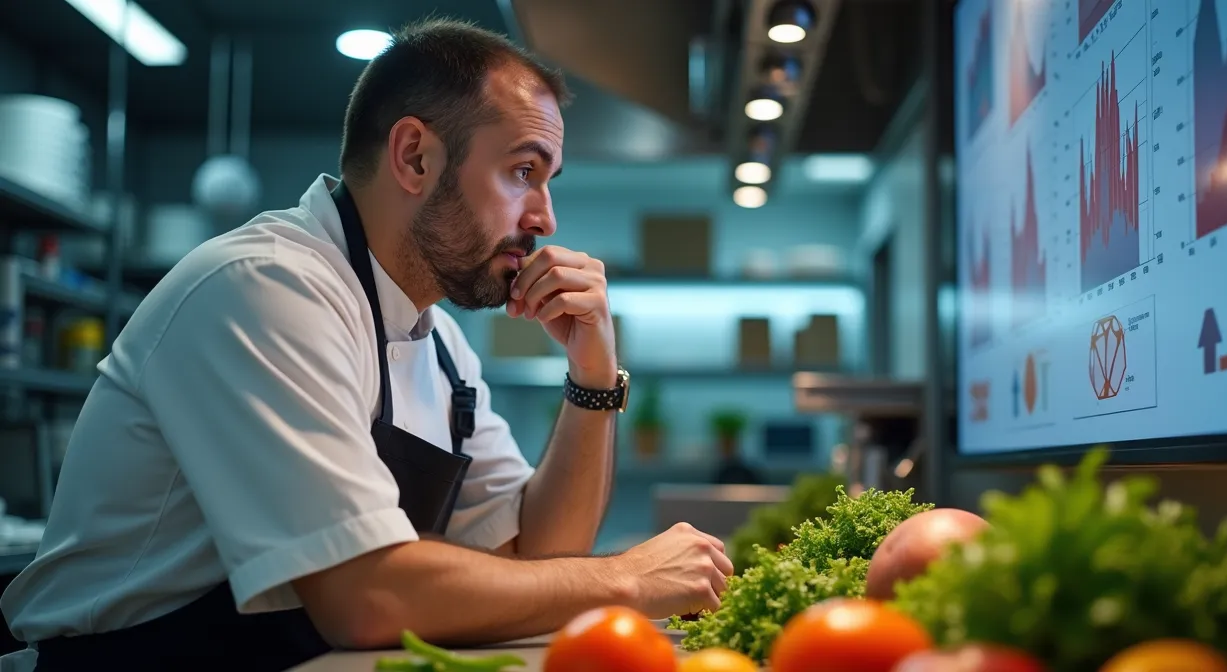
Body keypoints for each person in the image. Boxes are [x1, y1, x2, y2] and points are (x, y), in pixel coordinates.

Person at [0, 18, 732, 672]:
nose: (544, 217)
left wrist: (593, 372)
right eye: (523, 171)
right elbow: (366, 595)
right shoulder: (264, 287)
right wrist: (629, 578)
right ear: (414, 157)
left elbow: (539, 553)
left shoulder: (439, 343)